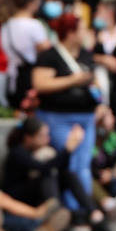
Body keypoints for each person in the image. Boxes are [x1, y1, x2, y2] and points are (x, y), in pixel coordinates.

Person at [30, 12, 99, 207]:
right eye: (82, 29)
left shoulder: (86, 54)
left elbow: (95, 84)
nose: (86, 33)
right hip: (58, 117)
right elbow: (40, 84)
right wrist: (73, 80)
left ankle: (85, 209)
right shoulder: (50, 56)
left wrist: (101, 105)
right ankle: (72, 209)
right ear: (70, 32)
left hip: (86, 117)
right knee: (70, 163)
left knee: (84, 165)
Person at [1, 118, 107, 231]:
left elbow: (60, 167)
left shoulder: (42, 149)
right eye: (42, 135)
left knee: (68, 175)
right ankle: (58, 216)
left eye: (47, 135)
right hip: (20, 197)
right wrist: (67, 149)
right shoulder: (17, 152)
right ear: (28, 138)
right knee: (48, 175)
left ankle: (93, 212)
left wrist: (67, 152)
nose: (47, 139)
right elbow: (43, 168)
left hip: (38, 196)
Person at [0, 0, 49, 108]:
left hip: (9, 76)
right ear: (31, 3)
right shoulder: (34, 25)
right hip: (28, 77)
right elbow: (46, 49)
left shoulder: (6, 25)